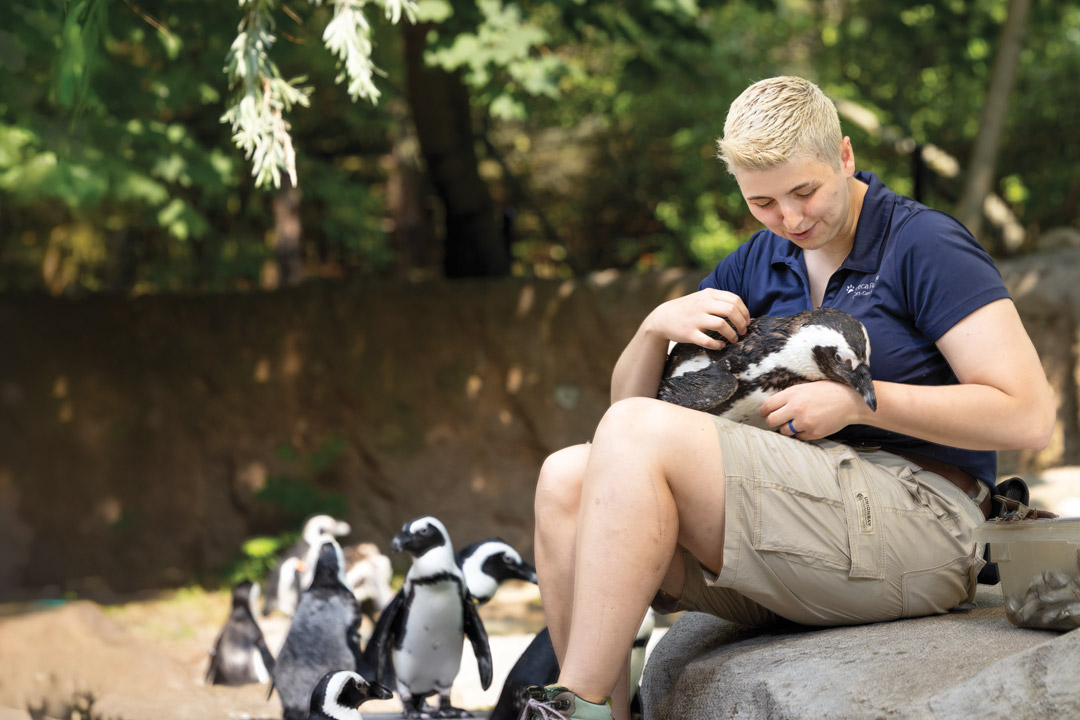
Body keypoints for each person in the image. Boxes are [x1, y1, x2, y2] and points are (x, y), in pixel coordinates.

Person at [522, 76, 1056, 720]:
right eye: (764, 202)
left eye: (806, 191)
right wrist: (652, 327)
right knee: (565, 479)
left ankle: (568, 707)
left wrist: (861, 403)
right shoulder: (760, 262)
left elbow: (1028, 415)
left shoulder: (923, 244)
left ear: (846, 157)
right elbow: (623, 423)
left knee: (633, 436)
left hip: (928, 520)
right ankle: (600, 710)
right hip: (801, 535)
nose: (792, 219)